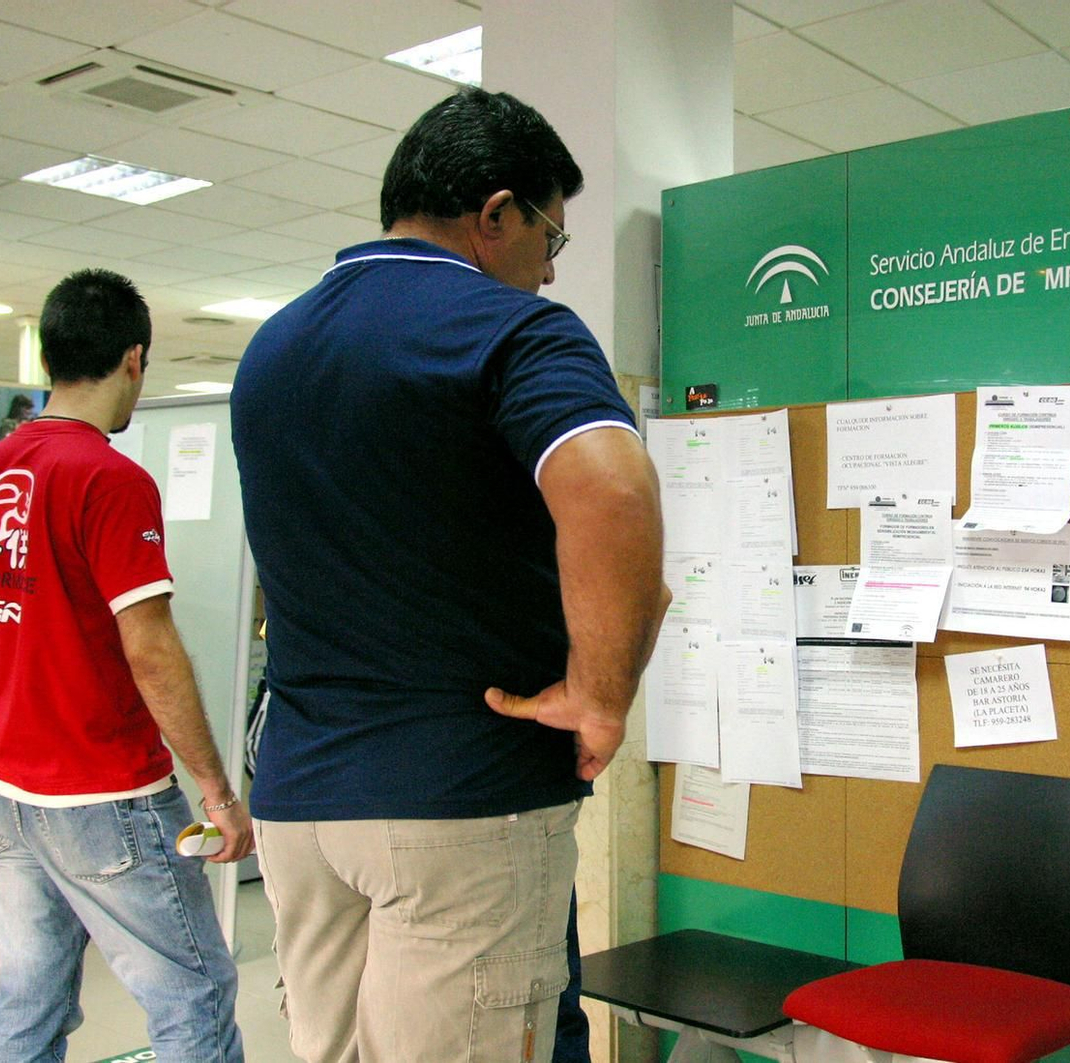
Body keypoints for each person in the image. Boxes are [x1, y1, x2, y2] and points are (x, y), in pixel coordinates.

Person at [230, 87, 668, 1063]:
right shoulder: (512, 329)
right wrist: (601, 696)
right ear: (496, 212)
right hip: (458, 798)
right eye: (550, 236)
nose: (550, 270)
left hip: (299, 802)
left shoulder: (272, 348)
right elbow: (615, 496)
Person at [0, 269, 253, 1063]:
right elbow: (149, 649)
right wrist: (217, 792)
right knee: (194, 996)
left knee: (29, 999)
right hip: (108, 796)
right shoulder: (110, 478)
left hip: (12, 795)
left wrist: (16, 702)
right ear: (133, 359)